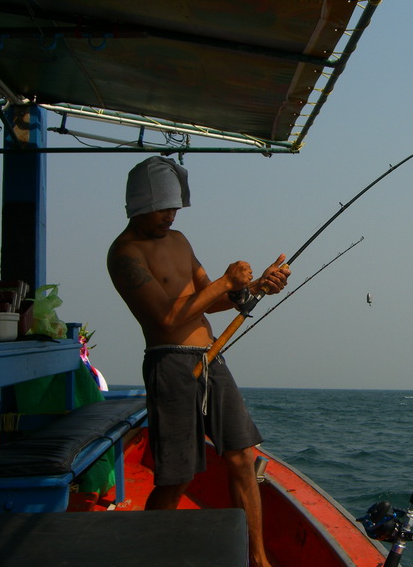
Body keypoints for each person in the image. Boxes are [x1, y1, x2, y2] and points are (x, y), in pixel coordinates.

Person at [107, 156, 288, 567]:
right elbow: (167, 317)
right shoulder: (124, 254)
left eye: (175, 208)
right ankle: (149, 557)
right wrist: (227, 281)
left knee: (243, 456)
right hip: (169, 364)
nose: (170, 216)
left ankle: (258, 559)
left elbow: (213, 299)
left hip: (211, 358)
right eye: (163, 208)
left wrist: (255, 287)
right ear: (138, 204)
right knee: (177, 477)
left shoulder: (181, 240)